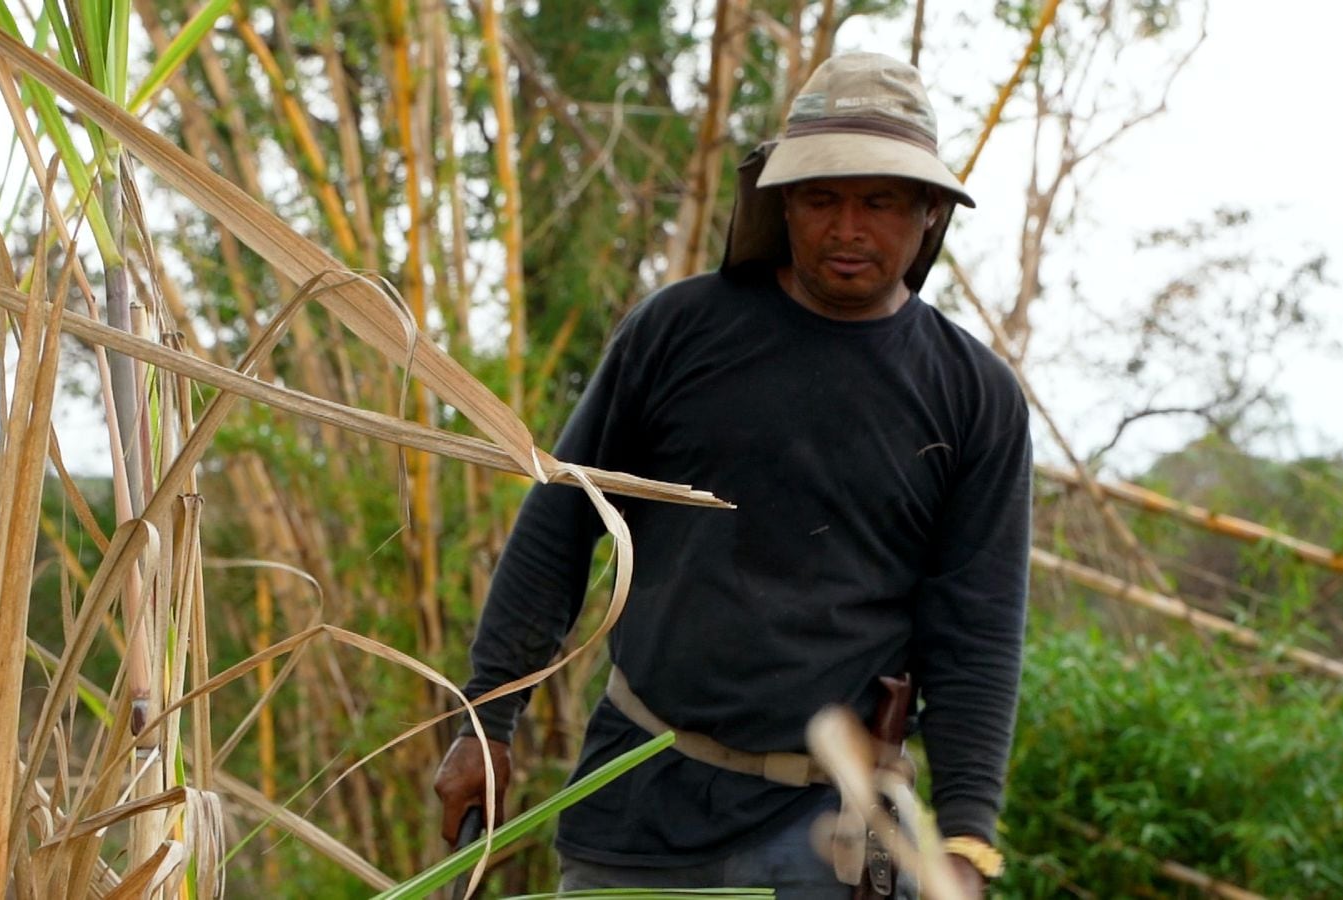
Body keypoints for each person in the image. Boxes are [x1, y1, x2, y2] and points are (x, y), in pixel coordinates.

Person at [434, 51, 1031, 899]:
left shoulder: (973, 397)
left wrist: (967, 841)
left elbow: (977, 631)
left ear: (929, 212)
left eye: (881, 202)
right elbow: (560, 528)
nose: (849, 228)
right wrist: (485, 720)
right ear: (783, 201)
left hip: (827, 834)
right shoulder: (677, 333)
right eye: (822, 199)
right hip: (637, 799)